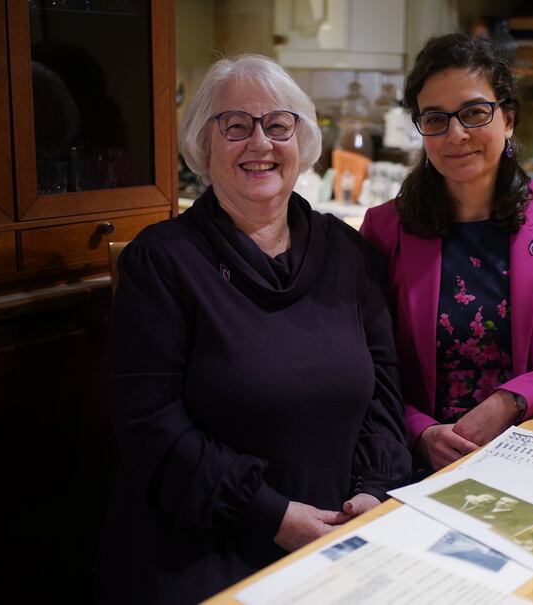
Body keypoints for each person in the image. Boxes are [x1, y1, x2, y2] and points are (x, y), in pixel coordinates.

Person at [94, 54, 410, 604]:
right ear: (202, 145)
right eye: (235, 126)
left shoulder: (350, 253)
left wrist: (375, 489)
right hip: (204, 539)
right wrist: (273, 514)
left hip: (343, 529)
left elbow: (385, 390)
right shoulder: (161, 263)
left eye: (278, 125)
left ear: (302, 140)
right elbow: (151, 426)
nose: (260, 143)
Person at [361, 33, 533, 472]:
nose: (456, 134)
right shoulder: (385, 228)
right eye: (435, 119)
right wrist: (420, 433)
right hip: (425, 464)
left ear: (507, 119)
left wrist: (511, 401)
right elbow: (366, 368)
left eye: (473, 113)